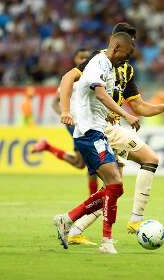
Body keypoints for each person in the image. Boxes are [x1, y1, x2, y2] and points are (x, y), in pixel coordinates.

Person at [58, 22, 164, 245]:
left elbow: (140, 107)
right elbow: (68, 79)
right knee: (149, 160)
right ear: (118, 42)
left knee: (112, 188)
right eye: (130, 42)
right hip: (102, 127)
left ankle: (74, 228)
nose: (132, 48)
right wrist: (66, 110)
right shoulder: (99, 59)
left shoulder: (127, 69)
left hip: (110, 126)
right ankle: (135, 220)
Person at [53, 32, 138, 254]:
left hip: (96, 131)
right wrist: (126, 115)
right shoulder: (98, 62)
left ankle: (68, 219)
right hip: (89, 133)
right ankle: (106, 241)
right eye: (126, 55)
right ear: (117, 48)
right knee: (116, 185)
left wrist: (109, 115)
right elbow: (99, 94)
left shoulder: (108, 66)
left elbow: (99, 100)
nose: (126, 60)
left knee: (114, 187)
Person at [31, 48, 99, 196]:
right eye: (80, 57)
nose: (83, 60)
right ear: (75, 60)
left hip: (91, 123)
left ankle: (48, 147)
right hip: (75, 125)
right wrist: (65, 114)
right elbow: (55, 103)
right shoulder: (70, 78)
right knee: (91, 162)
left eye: (86, 58)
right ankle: (93, 201)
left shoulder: (94, 78)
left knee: (80, 163)